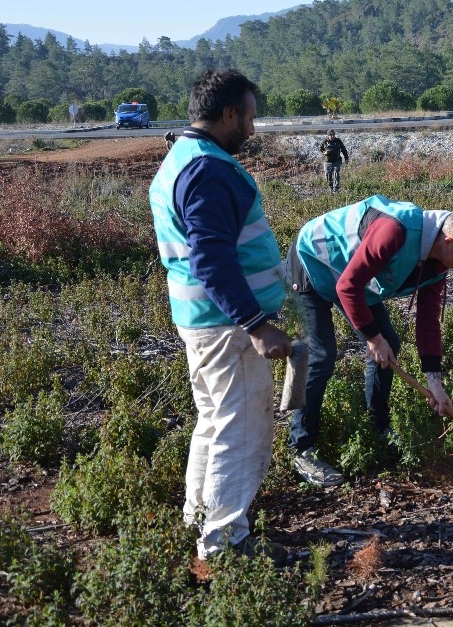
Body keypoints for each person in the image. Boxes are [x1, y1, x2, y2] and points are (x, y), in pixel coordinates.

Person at [148, 69, 292, 564]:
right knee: (241, 428)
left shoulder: (178, 160)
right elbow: (210, 258)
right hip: (227, 326)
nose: (251, 130)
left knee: (213, 420)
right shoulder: (208, 170)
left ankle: (199, 515)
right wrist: (256, 323)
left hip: (201, 320)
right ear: (228, 113)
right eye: (249, 117)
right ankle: (225, 542)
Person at [287, 196, 453, 486]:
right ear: (448, 241)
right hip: (312, 262)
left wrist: (434, 381)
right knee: (321, 355)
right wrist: (372, 338)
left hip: (349, 276)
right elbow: (348, 286)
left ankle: (377, 428)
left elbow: (428, 321)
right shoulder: (395, 231)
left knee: (389, 345)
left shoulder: (438, 264)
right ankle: (302, 448)